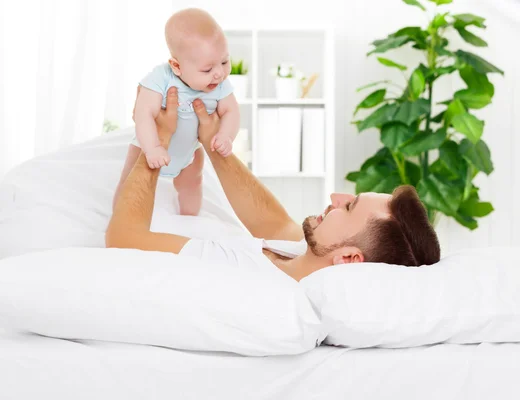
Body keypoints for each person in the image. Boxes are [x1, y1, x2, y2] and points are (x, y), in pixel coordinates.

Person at [106, 87, 441, 282]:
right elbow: (273, 222)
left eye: (349, 206)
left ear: (350, 259)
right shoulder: (304, 258)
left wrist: (157, 139)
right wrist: (213, 142)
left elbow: (123, 240)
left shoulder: (248, 277)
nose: (336, 197)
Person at [114, 8, 240, 216]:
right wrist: (152, 147)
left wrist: (226, 136)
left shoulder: (219, 85)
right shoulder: (161, 78)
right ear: (176, 66)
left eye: (225, 62)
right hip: (146, 148)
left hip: (188, 153)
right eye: (207, 69)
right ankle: (120, 214)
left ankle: (189, 217)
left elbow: (231, 111)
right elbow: (143, 113)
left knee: (193, 181)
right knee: (129, 182)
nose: (219, 73)